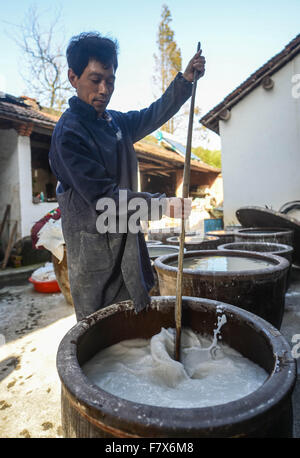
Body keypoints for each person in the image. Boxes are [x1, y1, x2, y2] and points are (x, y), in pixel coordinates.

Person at [49, 32, 206, 321]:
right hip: (95, 259)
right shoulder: (69, 135)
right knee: (103, 331)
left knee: (136, 326)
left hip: (128, 247)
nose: (104, 89)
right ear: (73, 77)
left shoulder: (115, 122)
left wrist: (185, 82)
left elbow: (153, 114)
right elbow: (105, 199)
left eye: (110, 81)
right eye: (95, 80)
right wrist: (163, 205)